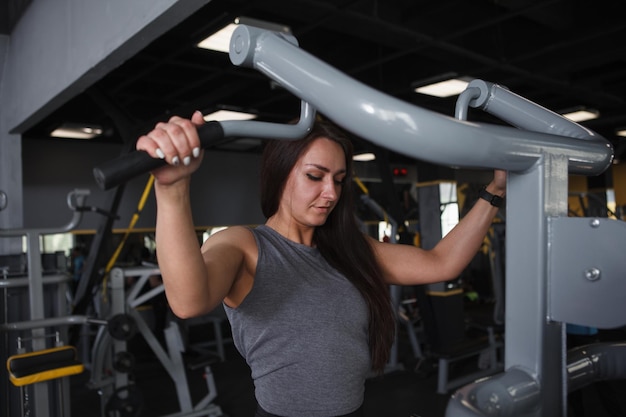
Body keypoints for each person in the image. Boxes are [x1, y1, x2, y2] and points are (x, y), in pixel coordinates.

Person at [136, 111, 506, 417]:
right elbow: (187, 301)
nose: (330, 193)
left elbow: (441, 263)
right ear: (280, 174)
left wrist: (495, 192)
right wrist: (172, 190)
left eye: (339, 180)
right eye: (315, 177)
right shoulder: (244, 245)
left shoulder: (349, 250)